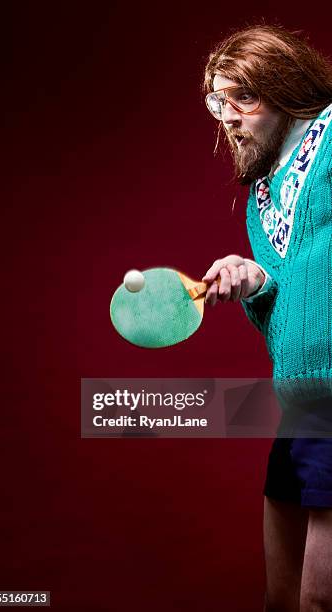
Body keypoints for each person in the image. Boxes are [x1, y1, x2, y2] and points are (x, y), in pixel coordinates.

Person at [202, 25, 332, 611]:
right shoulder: (260, 196)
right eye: (216, 99)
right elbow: (294, 318)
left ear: (284, 87)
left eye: (242, 98)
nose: (226, 116)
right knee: (280, 600)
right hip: (301, 408)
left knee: (317, 602)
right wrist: (258, 283)